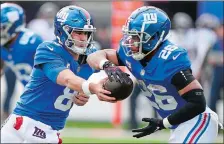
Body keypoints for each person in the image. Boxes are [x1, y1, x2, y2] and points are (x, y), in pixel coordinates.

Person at [87, 6, 220, 143]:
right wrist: (107, 65)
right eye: (130, 35)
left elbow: (198, 103)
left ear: (154, 37)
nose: (130, 41)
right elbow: (94, 56)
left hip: (197, 121)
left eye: (136, 37)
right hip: (180, 125)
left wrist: (163, 123)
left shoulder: (169, 59)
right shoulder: (130, 54)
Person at [1, 5, 116, 143]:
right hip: (29, 121)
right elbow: (67, 79)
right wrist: (90, 87)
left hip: (43, 127)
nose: (83, 38)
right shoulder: (48, 49)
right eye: (78, 32)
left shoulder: (91, 55)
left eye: (86, 33)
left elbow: (115, 58)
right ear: (62, 31)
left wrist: (84, 91)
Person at [0, 3, 43, 121]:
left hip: (45, 94)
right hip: (29, 96)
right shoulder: (3, 45)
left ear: (13, 26)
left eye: (1, 27)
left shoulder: (31, 41)